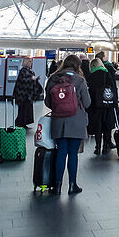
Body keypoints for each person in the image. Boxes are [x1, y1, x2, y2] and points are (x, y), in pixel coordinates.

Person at [44, 55, 91, 194]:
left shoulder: (53, 78)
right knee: (73, 153)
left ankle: (57, 187)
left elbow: (47, 102)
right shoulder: (80, 80)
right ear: (78, 65)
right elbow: (87, 103)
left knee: (61, 151)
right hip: (76, 122)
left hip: (58, 121)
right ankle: (72, 185)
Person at [86, 57, 117, 154]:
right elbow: (113, 88)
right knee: (106, 125)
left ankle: (97, 146)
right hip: (107, 103)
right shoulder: (106, 73)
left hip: (95, 105)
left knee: (97, 126)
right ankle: (106, 146)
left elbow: (89, 91)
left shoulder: (90, 76)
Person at [14, 57, 43, 128]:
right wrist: (32, 78)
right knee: (23, 110)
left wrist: (34, 79)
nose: (31, 63)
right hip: (24, 95)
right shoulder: (23, 71)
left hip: (25, 94)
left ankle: (23, 123)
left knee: (26, 110)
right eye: (30, 62)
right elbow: (24, 80)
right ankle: (20, 123)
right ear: (26, 62)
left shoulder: (27, 71)